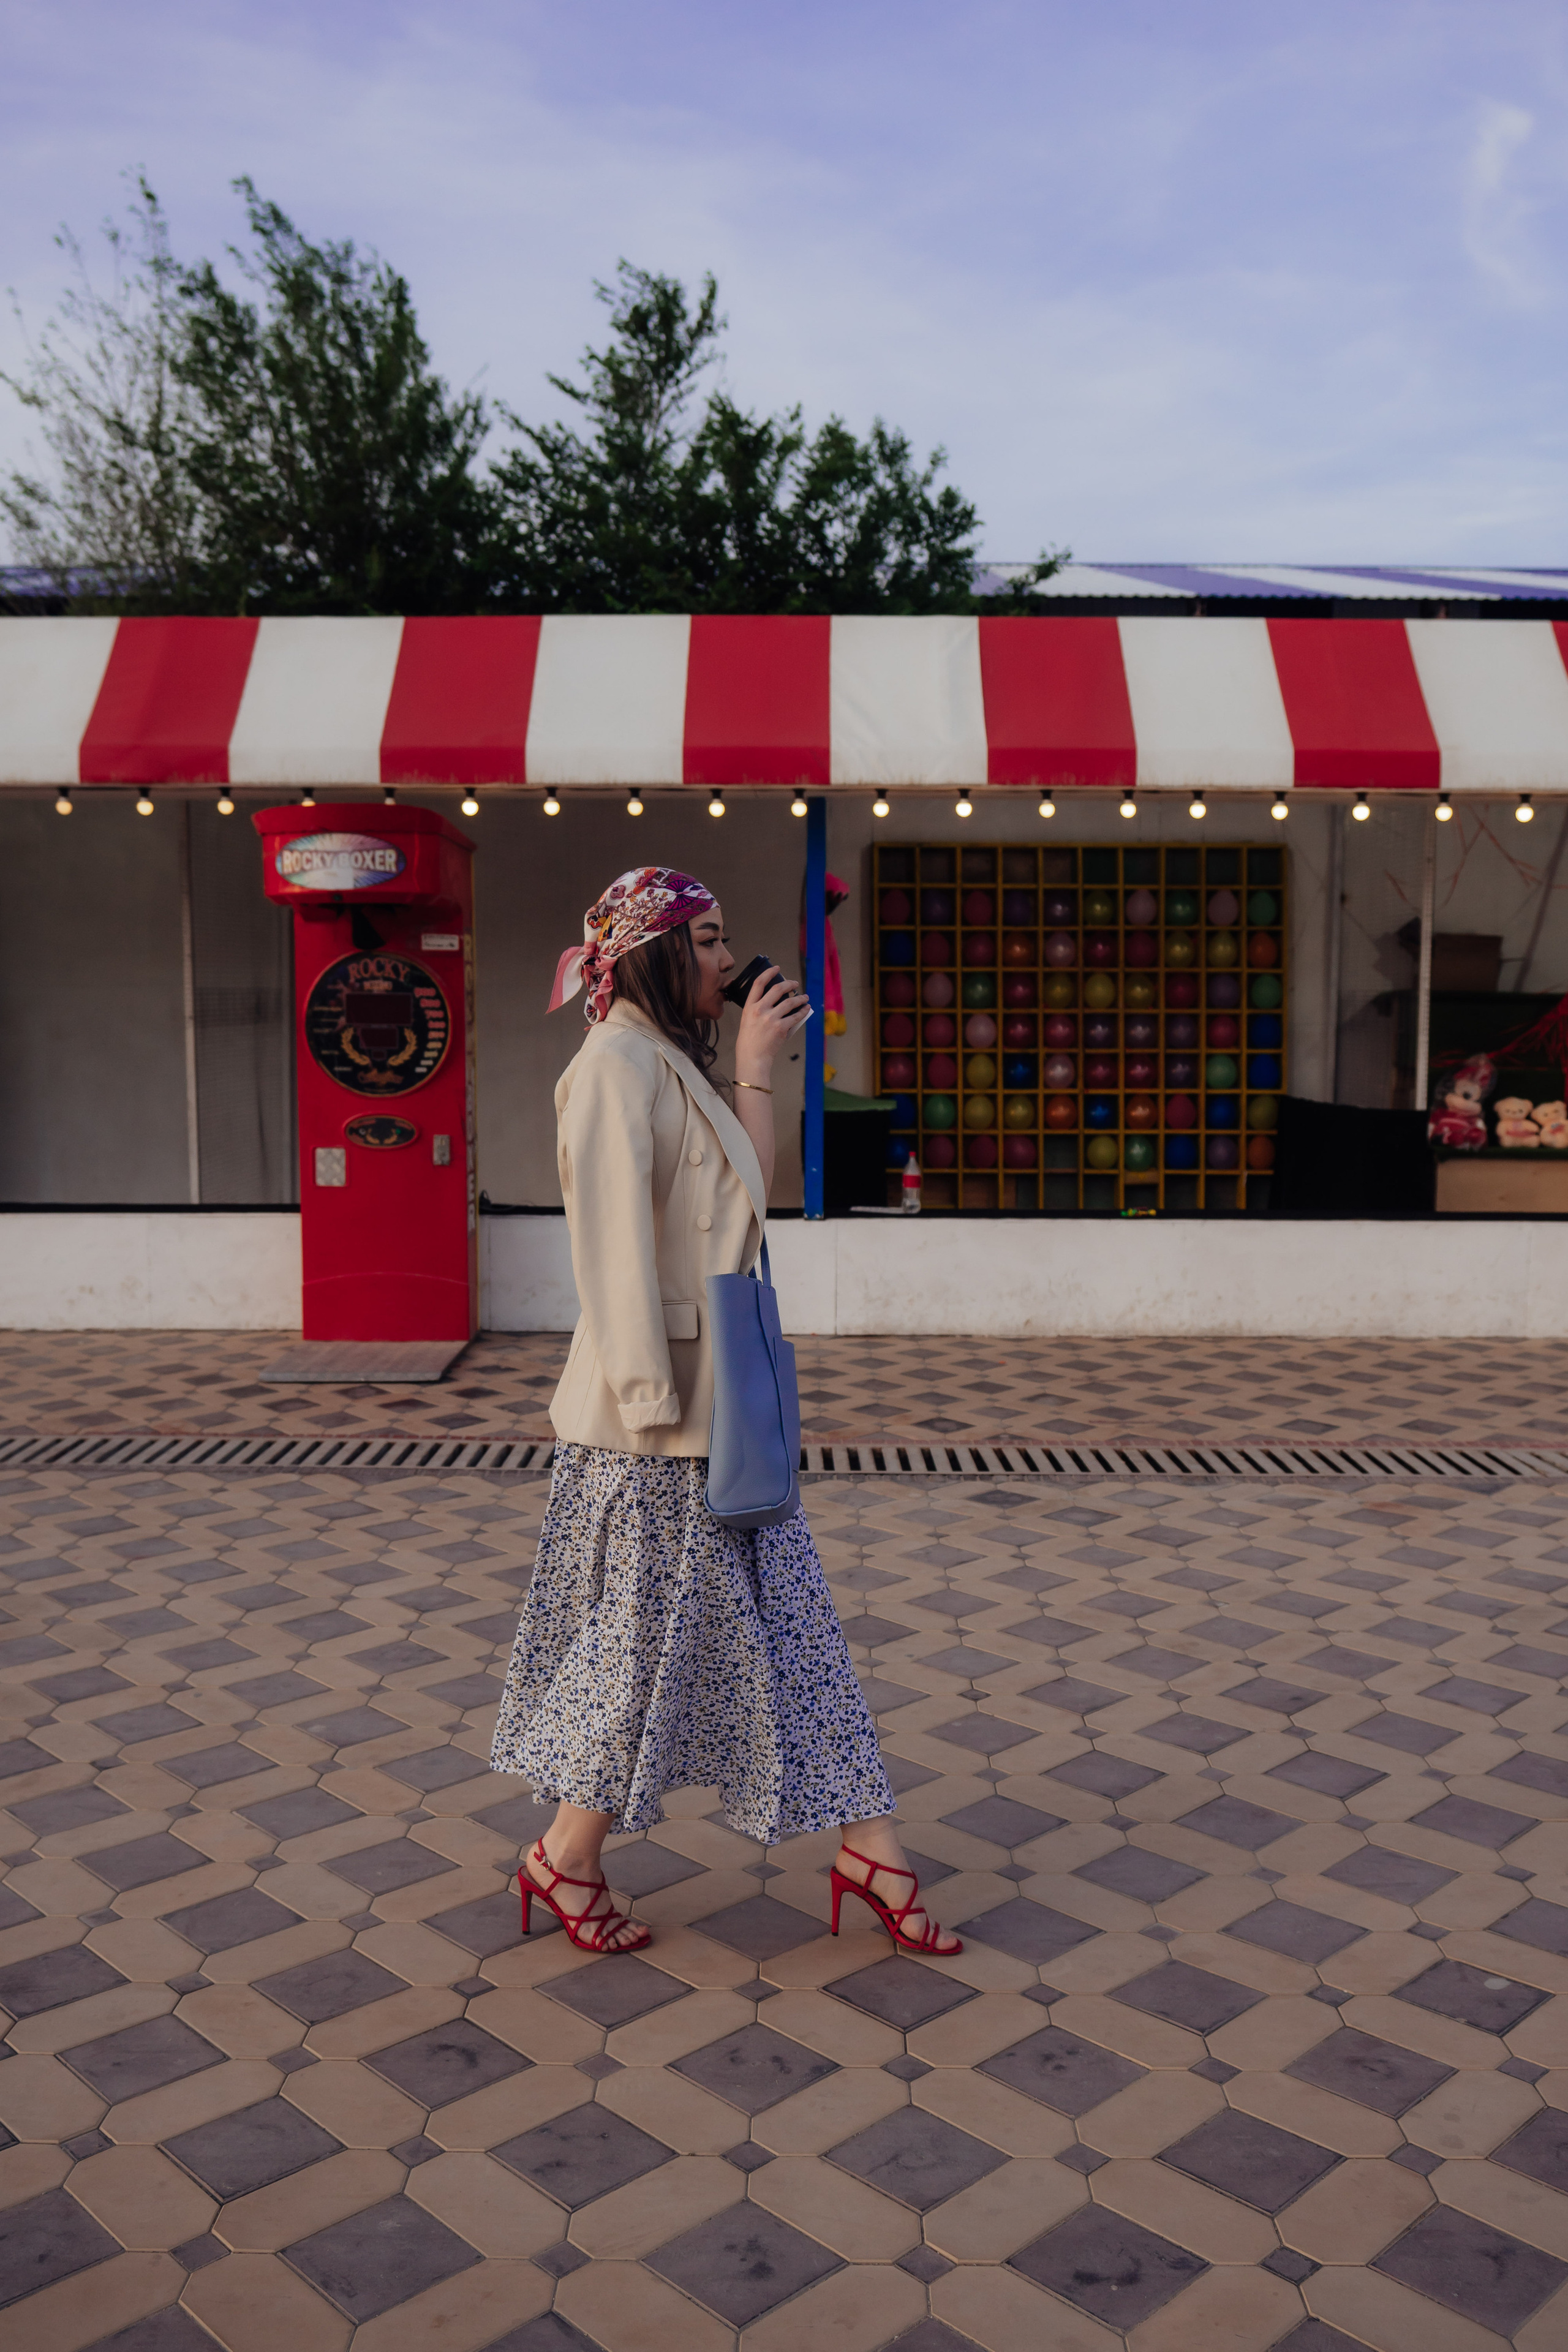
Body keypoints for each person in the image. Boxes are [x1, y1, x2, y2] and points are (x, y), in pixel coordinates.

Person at [490, 865, 960, 1959]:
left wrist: (757, 1066)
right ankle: (565, 1855)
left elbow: (751, 1209)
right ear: (654, 951)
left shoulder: (669, 1061)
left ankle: (870, 1847)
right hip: (656, 1425)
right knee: (639, 1653)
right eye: (704, 940)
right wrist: (654, 1410)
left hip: (721, 1419)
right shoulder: (612, 1066)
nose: (725, 958)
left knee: (795, 1637)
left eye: (721, 938)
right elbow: (609, 1254)